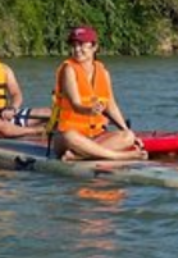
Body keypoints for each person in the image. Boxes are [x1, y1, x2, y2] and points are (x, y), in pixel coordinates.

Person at [49, 26, 146, 161]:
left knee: (127, 136)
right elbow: (76, 104)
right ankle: (119, 156)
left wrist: (128, 131)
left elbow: (111, 106)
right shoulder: (68, 70)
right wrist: (90, 110)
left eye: (82, 44)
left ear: (94, 47)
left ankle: (79, 156)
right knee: (69, 136)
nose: (77, 49)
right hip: (68, 137)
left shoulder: (103, 73)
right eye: (74, 45)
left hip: (96, 136)